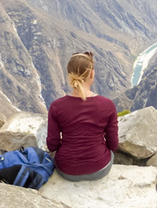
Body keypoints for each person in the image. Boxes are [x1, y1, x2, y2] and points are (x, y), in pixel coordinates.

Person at [46, 51, 119, 181]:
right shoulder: (107, 105)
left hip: (66, 169)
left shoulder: (56, 106)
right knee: (110, 155)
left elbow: (52, 145)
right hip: (99, 168)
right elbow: (113, 144)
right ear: (91, 73)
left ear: (70, 74)